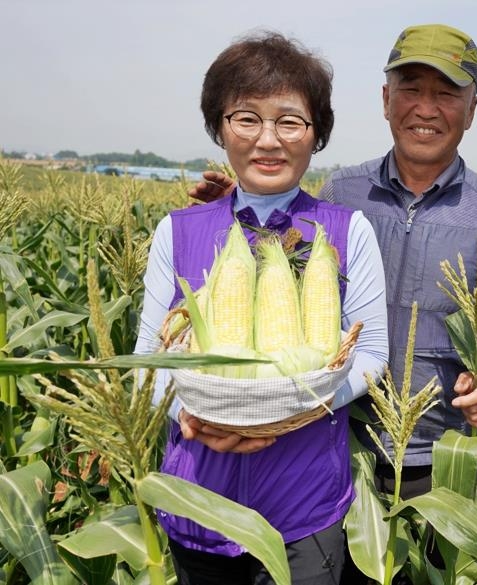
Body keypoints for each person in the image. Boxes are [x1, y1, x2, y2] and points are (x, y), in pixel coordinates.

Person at [190, 21, 477, 504]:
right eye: (410, 89)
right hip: (338, 443)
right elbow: (285, 273)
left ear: (472, 109)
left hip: (442, 454)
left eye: (447, 94)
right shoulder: (340, 193)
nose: (426, 108)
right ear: (385, 99)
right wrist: (243, 211)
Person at [135, 31, 389, 585]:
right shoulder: (178, 231)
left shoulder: (348, 232)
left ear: (315, 134)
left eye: (290, 121)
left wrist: (296, 404)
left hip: (304, 512)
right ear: (219, 127)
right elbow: (147, 363)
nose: (267, 140)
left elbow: (371, 354)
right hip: (198, 503)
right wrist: (193, 419)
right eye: (246, 118)